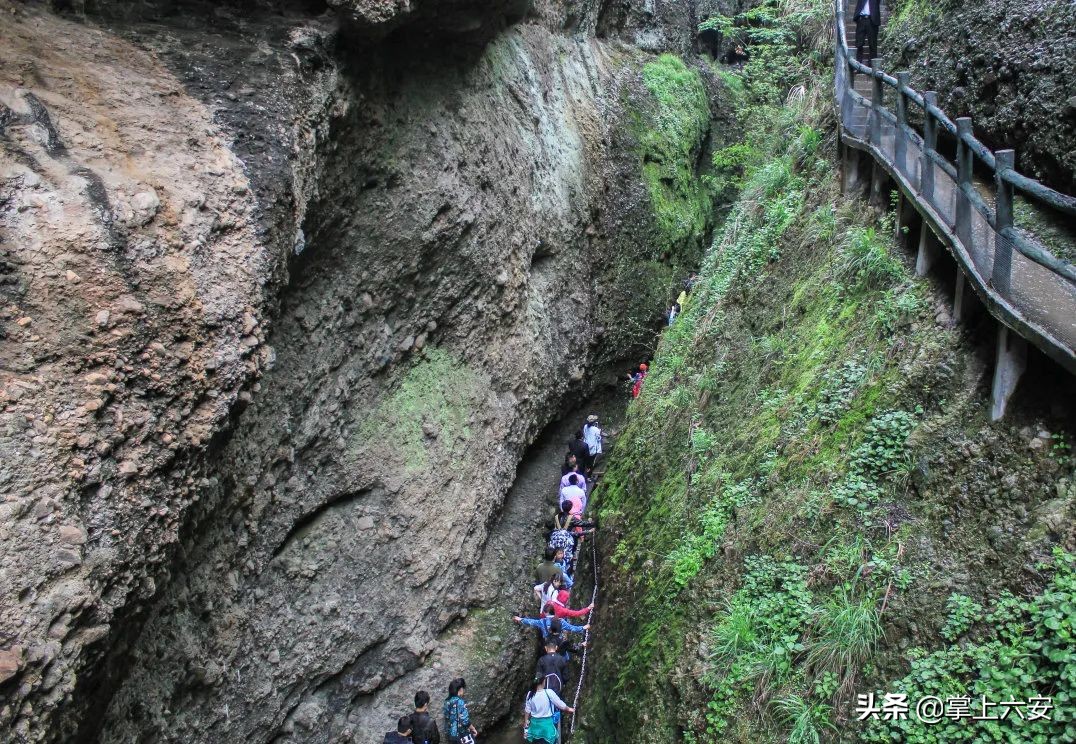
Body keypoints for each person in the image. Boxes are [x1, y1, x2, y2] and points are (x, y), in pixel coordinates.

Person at [523, 675, 574, 744]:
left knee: (536, 741)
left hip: (534, 725)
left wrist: (526, 721)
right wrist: (569, 709)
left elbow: (527, 710)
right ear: (543, 682)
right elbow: (560, 705)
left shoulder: (530, 694)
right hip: (546, 725)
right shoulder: (548, 692)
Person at [443, 678, 478, 744]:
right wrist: (473, 728)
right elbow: (465, 721)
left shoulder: (446, 701)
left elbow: (447, 717)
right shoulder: (460, 702)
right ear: (460, 689)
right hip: (462, 734)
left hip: (451, 735)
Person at [853, 0, 880, 65]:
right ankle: (858, 64)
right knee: (859, 43)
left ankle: (872, 65)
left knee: (872, 44)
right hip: (861, 20)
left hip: (872, 21)